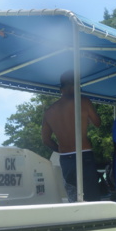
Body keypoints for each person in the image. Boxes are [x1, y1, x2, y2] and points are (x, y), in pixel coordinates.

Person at [41, 70, 102, 202]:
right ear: (75, 85)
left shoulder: (50, 111)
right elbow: (98, 123)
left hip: (66, 158)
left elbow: (45, 140)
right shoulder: (83, 102)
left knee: (73, 198)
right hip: (84, 154)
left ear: (61, 88)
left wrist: (61, 149)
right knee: (92, 198)